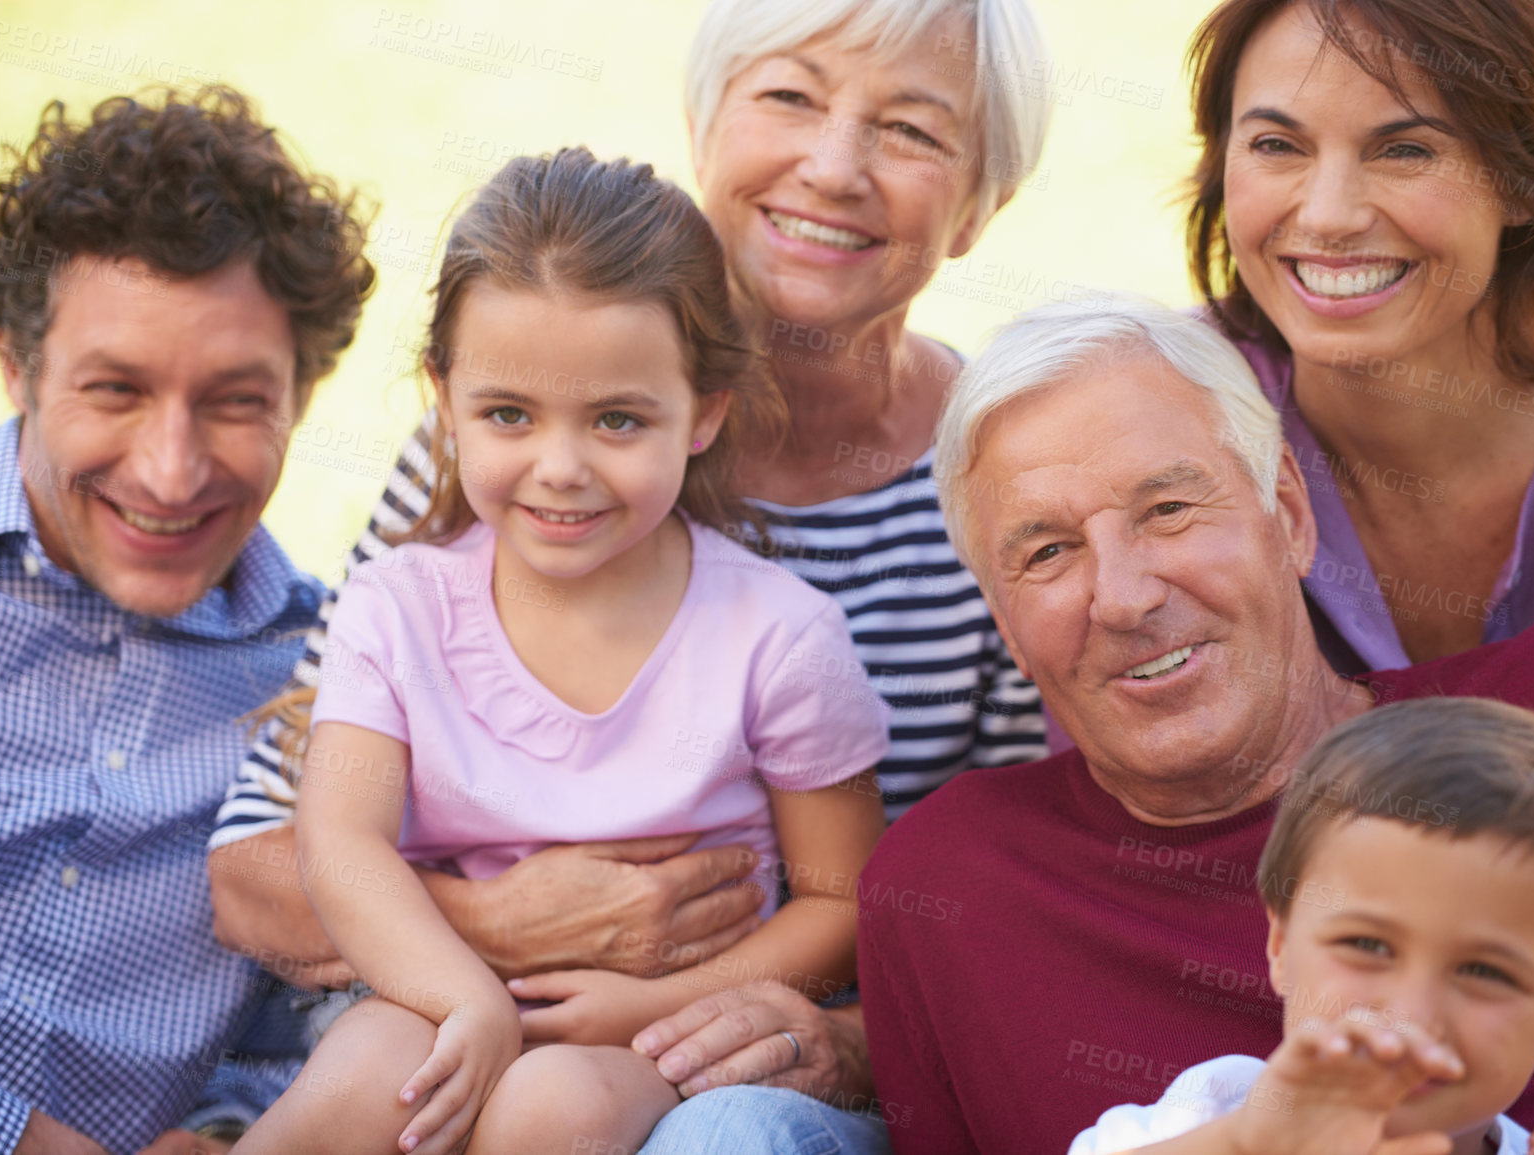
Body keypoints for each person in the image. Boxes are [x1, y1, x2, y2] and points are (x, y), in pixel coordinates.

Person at [208, 1, 1053, 1148]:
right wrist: (498, 931)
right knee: (374, 1087)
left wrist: (814, 1034)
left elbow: (994, 902)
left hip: (745, 1051)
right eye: (791, 96)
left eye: (911, 130)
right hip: (429, 1002)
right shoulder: (464, 495)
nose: (833, 166)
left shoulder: (1007, 491)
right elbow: (266, 856)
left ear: (981, 204)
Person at [856, 297, 1534, 1153]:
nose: (1122, 596)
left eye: (1169, 508)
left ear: (1290, 516)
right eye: (1046, 553)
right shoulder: (947, 887)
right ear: (1005, 623)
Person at [233, 148, 891, 1155]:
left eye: (618, 420)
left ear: (705, 411)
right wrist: (465, 997)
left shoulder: (778, 635)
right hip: (423, 988)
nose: (561, 469)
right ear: (441, 396)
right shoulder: (395, 608)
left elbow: (844, 901)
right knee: (356, 1093)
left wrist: (648, 1007)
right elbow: (342, 843)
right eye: (508, 415)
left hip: (654, 1025)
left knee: (550, 1111)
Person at [0, 87, 372, 1154]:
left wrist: (230, 1132)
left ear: (301, 397)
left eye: (238, 401)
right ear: (16, 365)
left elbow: (309, 1032)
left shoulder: (328, 684)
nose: (171, 471)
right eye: (115, 389)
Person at [1186, 0, 1534, 672]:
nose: (1328, 214)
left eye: (1404, 149)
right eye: (1276, 145)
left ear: (1527, 184)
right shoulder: (1155, 421)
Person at [1068, 697, 1534, 1155]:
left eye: (1484, 971)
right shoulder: (1211, 1116)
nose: (1411, 1015)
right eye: (1366, 945)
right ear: (1282, 945)